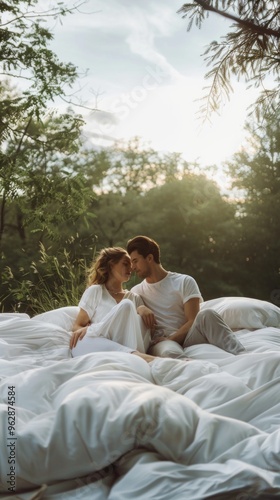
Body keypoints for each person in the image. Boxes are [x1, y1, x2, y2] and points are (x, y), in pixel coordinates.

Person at [126, 235, 246, 358]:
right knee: (169, 352)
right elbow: (125, 310)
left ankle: (242, 354)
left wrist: (172, 338)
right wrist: (140, 308)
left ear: (150, 258)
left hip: (187, 336)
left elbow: (192, 320)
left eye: (135, 261)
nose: (133, 267)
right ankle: (193, 370)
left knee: (207, 314)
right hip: (161, 342)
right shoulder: (136, 291)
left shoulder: (184, 281)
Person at [70, 247, 156, 363]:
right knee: (126, 305)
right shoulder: (96, 291)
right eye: (125, 264)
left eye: (131, 264)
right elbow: (77, 326)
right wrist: (88, 329)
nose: (130, 268)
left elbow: (146, 332)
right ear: (111, 265)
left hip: (128, 344)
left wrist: (141, 308)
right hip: (103, 343)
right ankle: (139, 358)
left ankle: (134, 356)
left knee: (127, 305)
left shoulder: (134, 298)